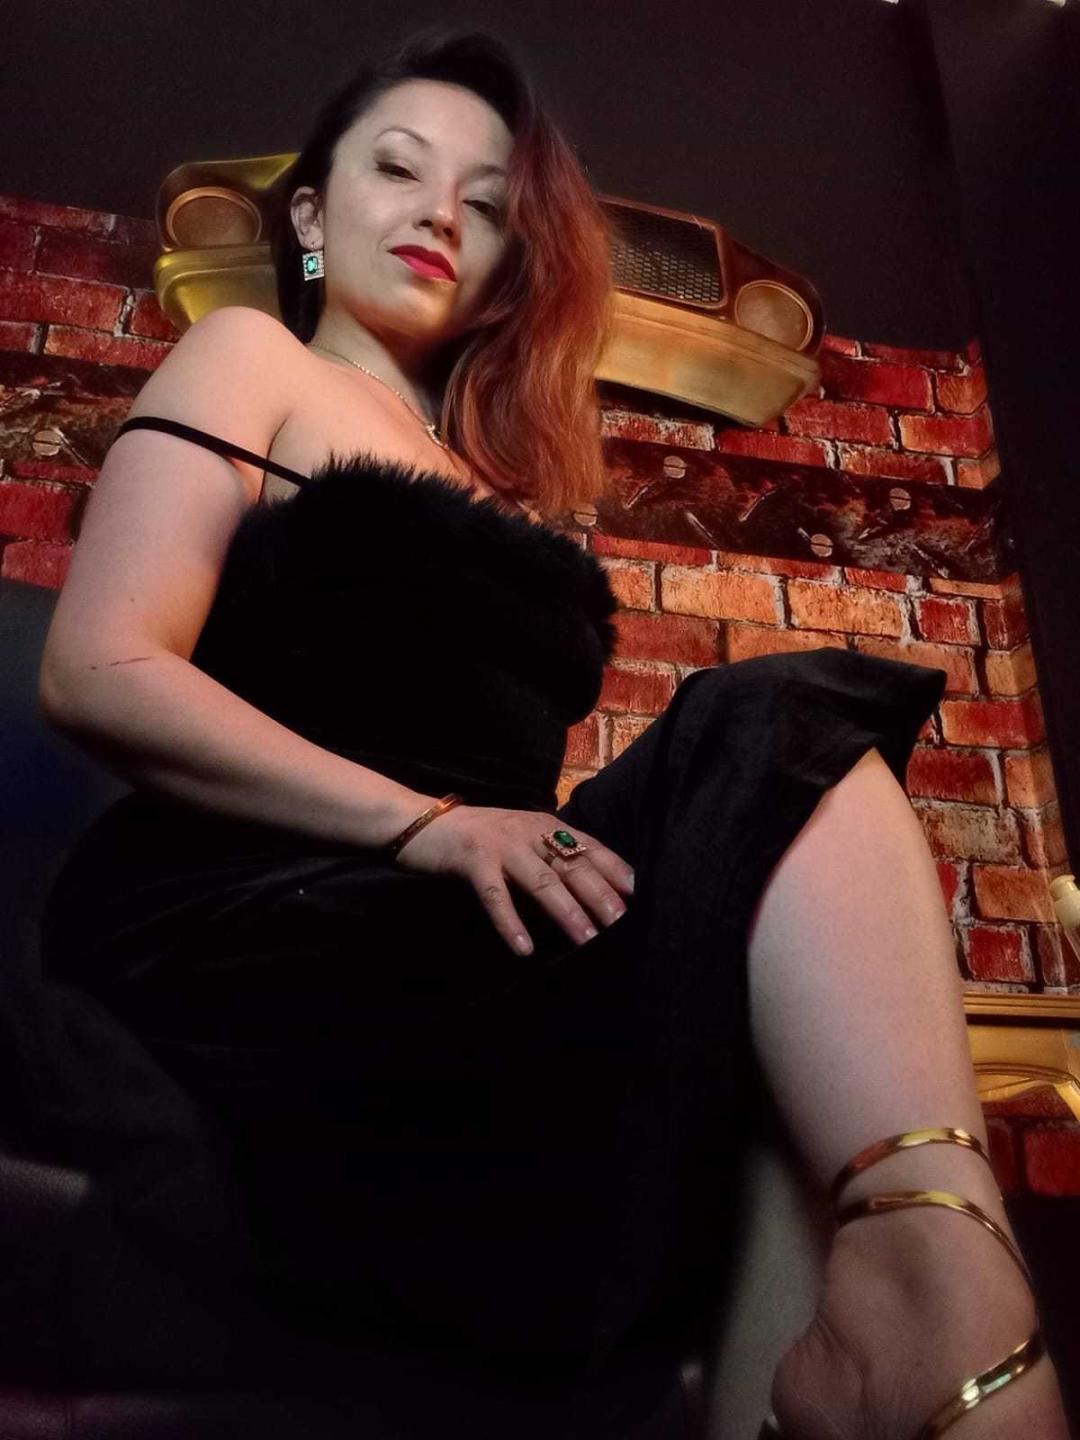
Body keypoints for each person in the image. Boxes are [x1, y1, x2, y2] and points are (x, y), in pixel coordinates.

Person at [29, 26, 1069, 1440]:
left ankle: (917, 1304)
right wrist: (431, 823)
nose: (441, 214)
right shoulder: (248, 356)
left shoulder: (498, 491)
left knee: (777, 904)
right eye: (398, 170)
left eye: (487, 202)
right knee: (765, 719)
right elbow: (97, 671)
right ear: (313, 216)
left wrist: (495, 844)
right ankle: (955, 1328)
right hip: (254, 926)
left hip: (460, 946)